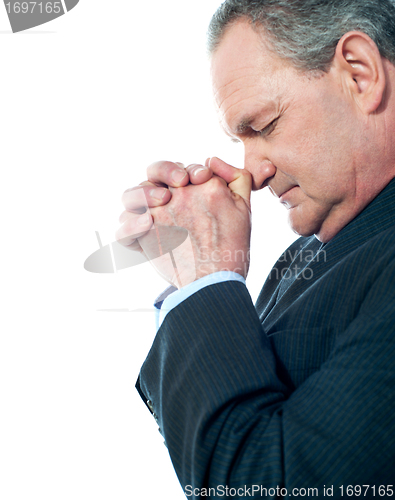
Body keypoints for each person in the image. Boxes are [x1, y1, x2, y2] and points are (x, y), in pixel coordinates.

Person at [117, 0, 395, 497]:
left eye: (263, 127)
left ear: (359, 73)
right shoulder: (306, 255)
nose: (253, 172)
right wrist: (194, 283)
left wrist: (205, 279)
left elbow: (266, 485)